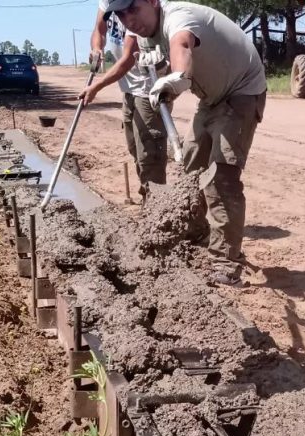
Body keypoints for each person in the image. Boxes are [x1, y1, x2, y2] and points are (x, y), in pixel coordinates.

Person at [105, 0, 267, 286]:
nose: (128, 19)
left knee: (221, 177)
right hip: (211, 97)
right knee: (191, 165)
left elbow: (182, 45)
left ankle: (226, 262)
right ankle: (196, 232)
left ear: (152, 1)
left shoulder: (177, 18)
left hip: (242, 90)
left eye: (133, 8)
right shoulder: (145, 34)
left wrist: (176, 78)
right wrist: (165, 76)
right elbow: (173, 61)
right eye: (120, 14)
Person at [83, 0, 168, 194]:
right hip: (128, 88)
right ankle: (149, 196)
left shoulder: (135, 9)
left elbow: (129, 58)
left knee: (149, 153)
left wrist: (97, 86)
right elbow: (99, 29)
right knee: (135, 149)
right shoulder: (107, 2)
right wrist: (96, 48)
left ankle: (156, 207)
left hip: (149, 88)